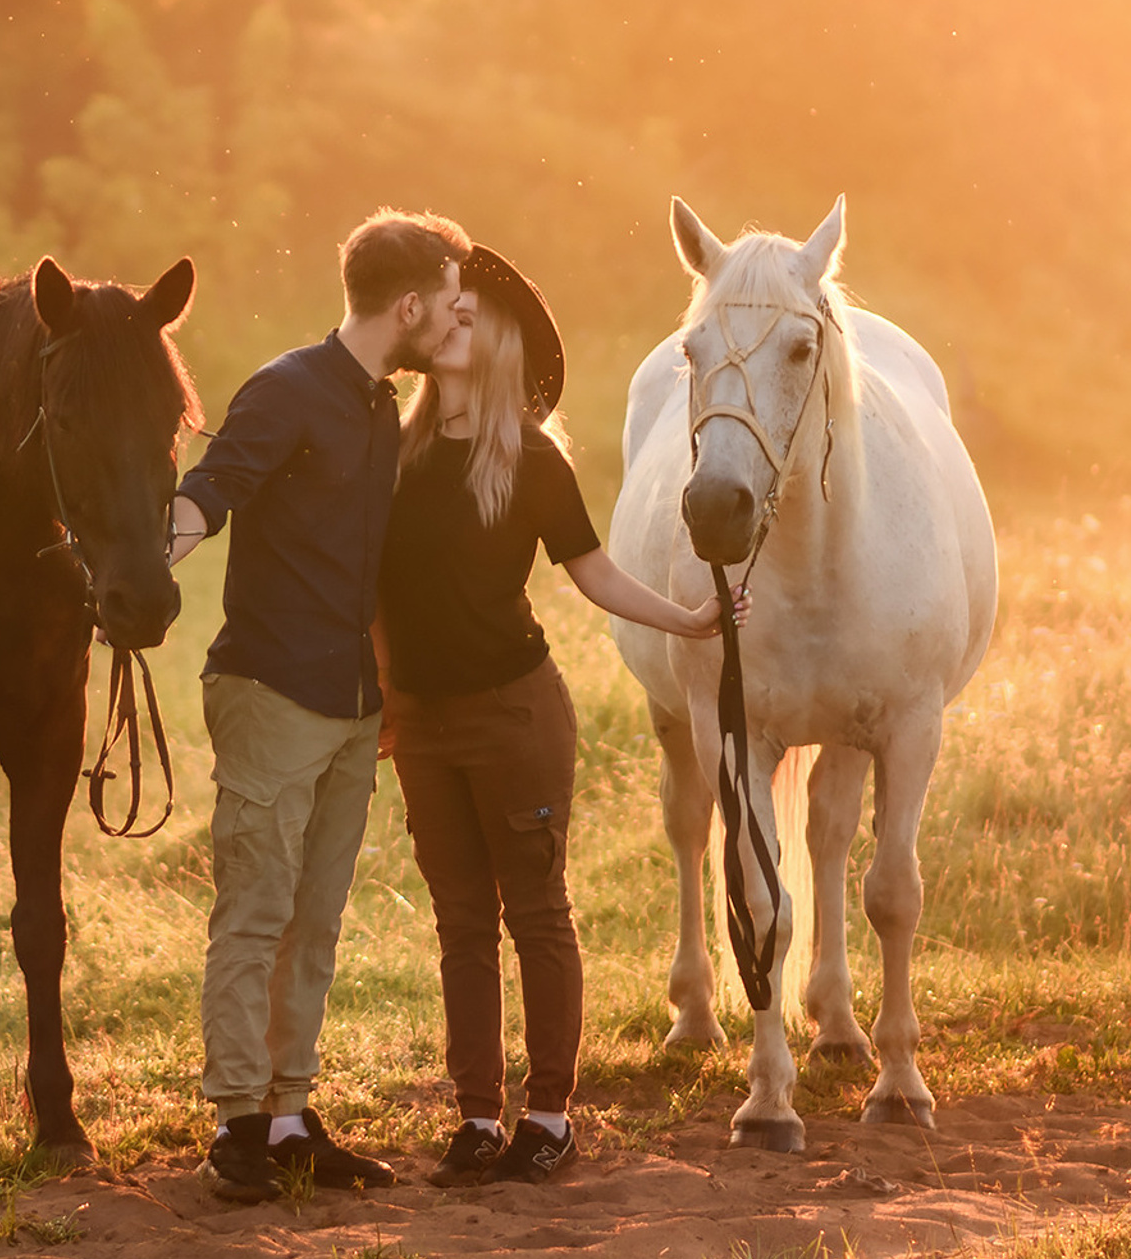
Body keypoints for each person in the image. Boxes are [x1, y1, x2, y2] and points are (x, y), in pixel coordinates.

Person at [376, 244, 740, 1188]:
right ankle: (475, 1117)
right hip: (421, 719)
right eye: (446, 313)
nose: (451, 323)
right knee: (460, 923)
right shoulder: (393, 447)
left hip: (514, 715)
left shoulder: (531, 461)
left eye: (468, 317)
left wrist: (692, 617)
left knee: (534, 913)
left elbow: (597, 574)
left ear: (495, 342)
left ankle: (548, 1115)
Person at [169, 208, 471, 1202]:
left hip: (348, 702)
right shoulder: (286, 389)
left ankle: (292, 1114)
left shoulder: (382, 407)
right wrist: (136, 565)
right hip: (268, 689)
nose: (454, 321)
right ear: (410, 302)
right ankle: (235, 1123)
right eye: (450, 303)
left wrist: (382, 691)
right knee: (254, 916)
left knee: (315, 920)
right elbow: (211, 490)